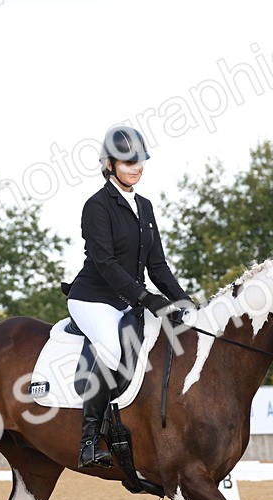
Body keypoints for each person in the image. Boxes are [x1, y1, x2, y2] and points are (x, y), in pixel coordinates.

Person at [65, 125, 192, 469]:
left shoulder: (145, 207)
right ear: (109, 164)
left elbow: (158, 264)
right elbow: (104, 263)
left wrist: (182, 301)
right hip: (93, 299)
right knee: (112, 348)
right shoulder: (97, 206)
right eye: (127, 162)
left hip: (128, 300)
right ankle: (89, 440)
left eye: (140, 161)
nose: (136, 167)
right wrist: (145, 298)